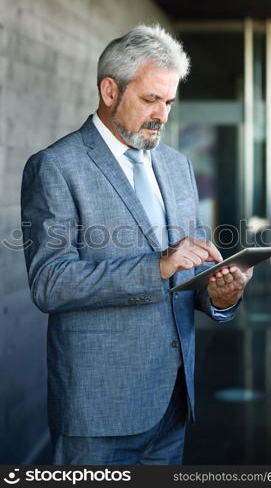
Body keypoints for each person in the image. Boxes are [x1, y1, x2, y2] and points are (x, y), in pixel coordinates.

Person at [21, 25, 253, 465]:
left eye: (168, 102)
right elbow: (49, 283)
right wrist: (157, 266)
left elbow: (189, 271)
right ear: (110, 90)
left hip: (172, 406)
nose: (162, 115)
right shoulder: (55, 166)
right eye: (150, 100)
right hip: (98, 414)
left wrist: (220, 293)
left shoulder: (177, 165)